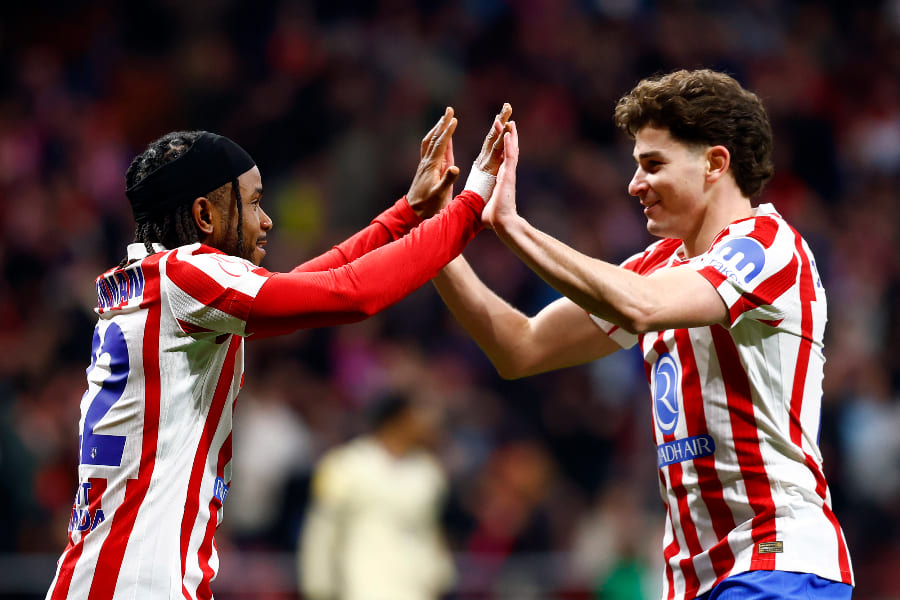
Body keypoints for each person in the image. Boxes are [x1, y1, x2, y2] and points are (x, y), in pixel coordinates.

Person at [45, 104, 512, 600]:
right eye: (252, 203)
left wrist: (407, 213)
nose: (266, 221)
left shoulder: (151, 284)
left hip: (105, 577)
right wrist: (471, 204)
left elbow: (309, 284)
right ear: (205, 215)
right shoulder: (186, 276)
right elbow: (350, 294)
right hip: (139, 585)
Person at [433, 70, 854, 600]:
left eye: (653, 165)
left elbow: (641, 307)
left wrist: (513, 226)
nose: (635, 184)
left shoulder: (768, 246)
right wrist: (434, 236)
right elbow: (521, 346)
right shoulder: (655, 267)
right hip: (694, 578)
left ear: (715, 163)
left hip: (778, 560)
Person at [299, 394, 454, 600]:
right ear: (398, 419)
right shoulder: (346, 465)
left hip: (414, 586)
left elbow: (430, 530)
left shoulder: (428, 473)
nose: (429, 424)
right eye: (419, 416)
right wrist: (318, 585)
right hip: (359, 582)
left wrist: (440, 574)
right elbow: (322, 529)